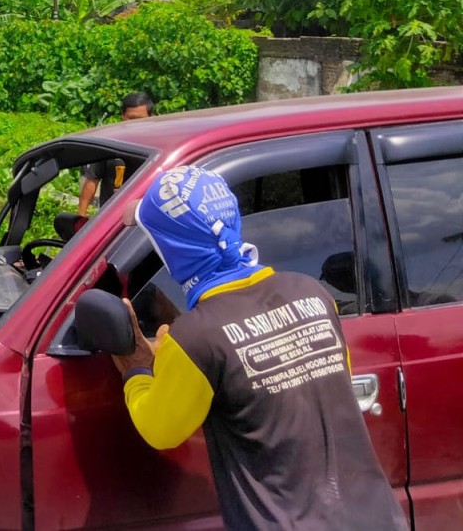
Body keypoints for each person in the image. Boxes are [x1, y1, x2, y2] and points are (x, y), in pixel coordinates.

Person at [111, 166, 406, 529]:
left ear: (171, 249)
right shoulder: (312, 292)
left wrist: (137, 368)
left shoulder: (196, 338)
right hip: (375, 516)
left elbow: (161, 429)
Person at [76, 92, 153, 217]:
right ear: (122, 115)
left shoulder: (157, 146)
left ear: (151, 117)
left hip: (141, 218)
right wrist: (81, 215)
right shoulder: (111, 143)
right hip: (109, 218)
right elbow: (92, 179)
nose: (135, 124)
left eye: (140, 119)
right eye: (131, 118)